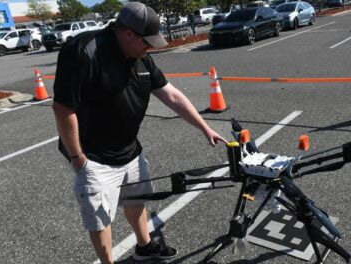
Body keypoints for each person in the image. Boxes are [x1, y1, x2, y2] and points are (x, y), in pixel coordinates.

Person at [52, 2, 226, 264]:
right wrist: (78, 158)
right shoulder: (84, 51)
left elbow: (172, 95)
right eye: (147, 41)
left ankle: (145, 247)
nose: (151, 47)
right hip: (94, 158)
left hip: (130, 150)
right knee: (100, 218)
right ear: (128, 33)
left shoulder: (140, 55)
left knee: (137, 200)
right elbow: (63, 108)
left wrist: (205, 127)